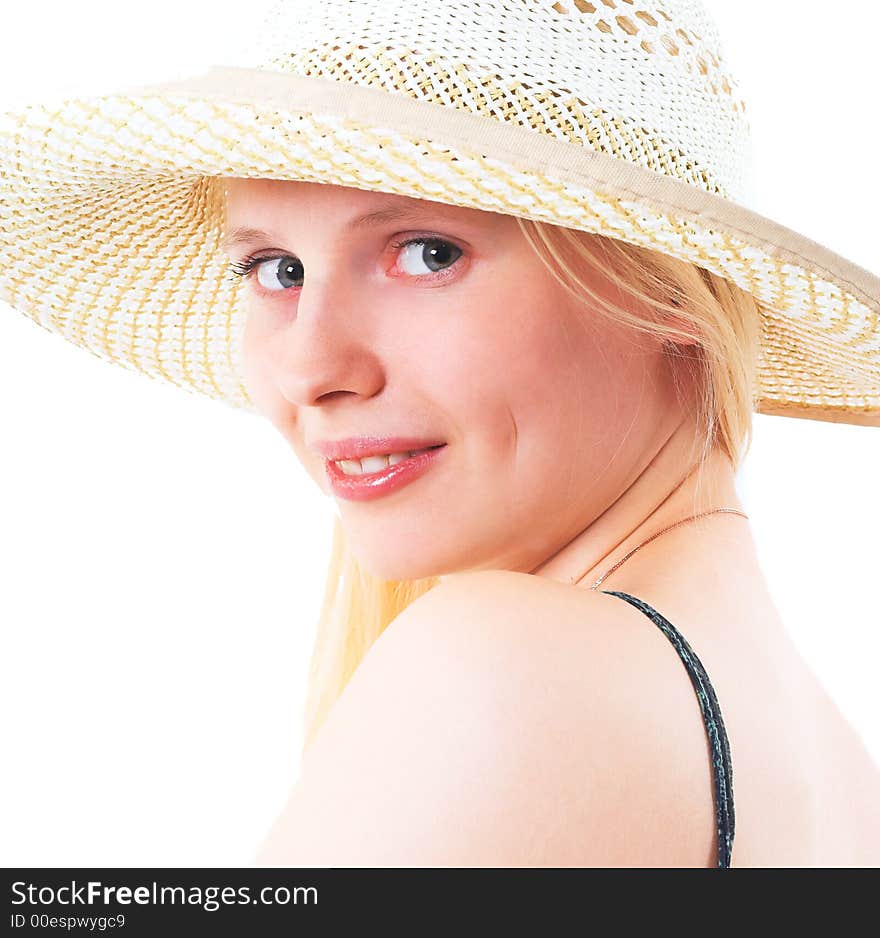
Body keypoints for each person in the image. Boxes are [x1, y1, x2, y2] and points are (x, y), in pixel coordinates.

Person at [1, 0, 878, 867]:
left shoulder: (504, 666)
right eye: (276, 269)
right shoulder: (835, 773)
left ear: (669, 292)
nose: (312, 368)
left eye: (428, 253)